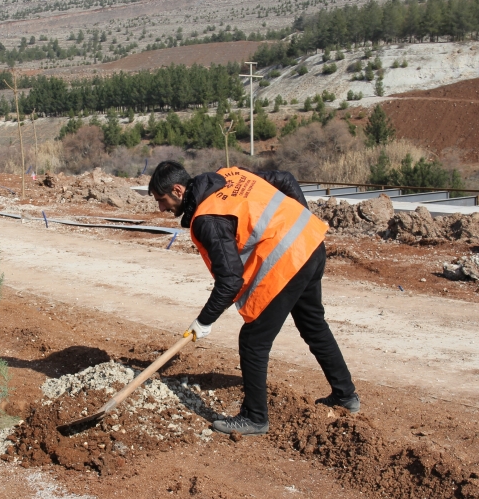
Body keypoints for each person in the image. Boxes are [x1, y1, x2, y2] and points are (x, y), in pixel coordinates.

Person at [149, 161, 359, 436]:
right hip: (310, 242)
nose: (161, 208)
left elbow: (231, 280)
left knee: (253, 341)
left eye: (161, 200)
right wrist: (301, 220)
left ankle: (255, 417)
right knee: (313, 325)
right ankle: (345, 395)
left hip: (288, 263)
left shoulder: (207, 219)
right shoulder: (228, 176)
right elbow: (286, 177)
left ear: (178, 190)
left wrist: (204, 321)